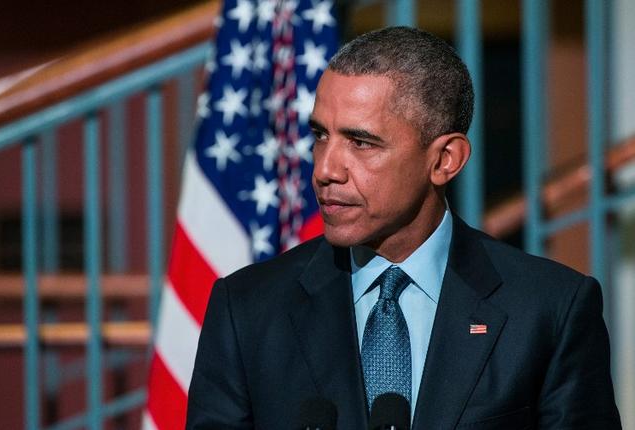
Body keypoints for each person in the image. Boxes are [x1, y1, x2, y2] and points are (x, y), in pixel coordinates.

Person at [185, 27, 621, 429]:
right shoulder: (246, 310)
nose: (325, 169)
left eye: (360, 142)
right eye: (320, 135)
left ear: (445, 159)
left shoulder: (550, 310)